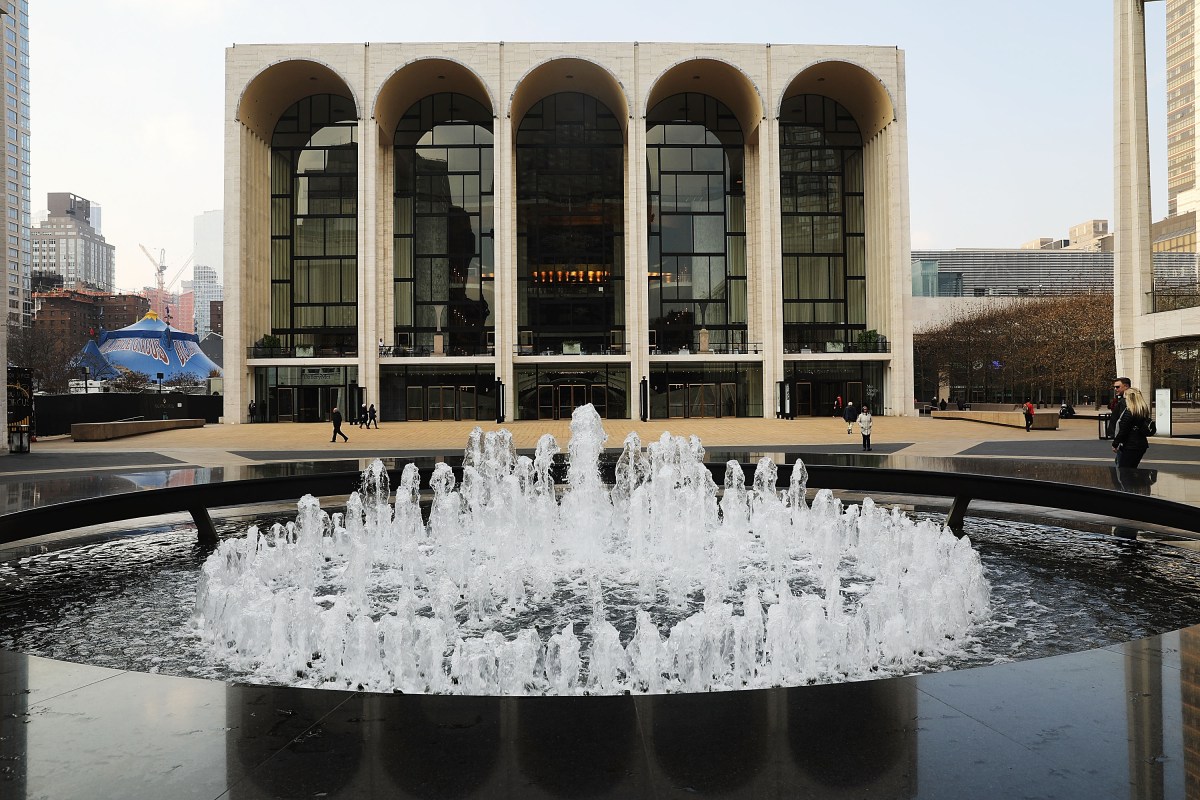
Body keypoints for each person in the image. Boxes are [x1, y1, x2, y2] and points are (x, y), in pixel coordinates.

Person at [1112, 387, 1155, 469]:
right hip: (1141, 444)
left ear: (1129, 398)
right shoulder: (1142, 410)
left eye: (1125, 398)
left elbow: (1123, 431)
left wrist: (1115, 444)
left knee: (1125, 471)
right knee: (1132, 468)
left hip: (1130, 445)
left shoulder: (1130, 412)